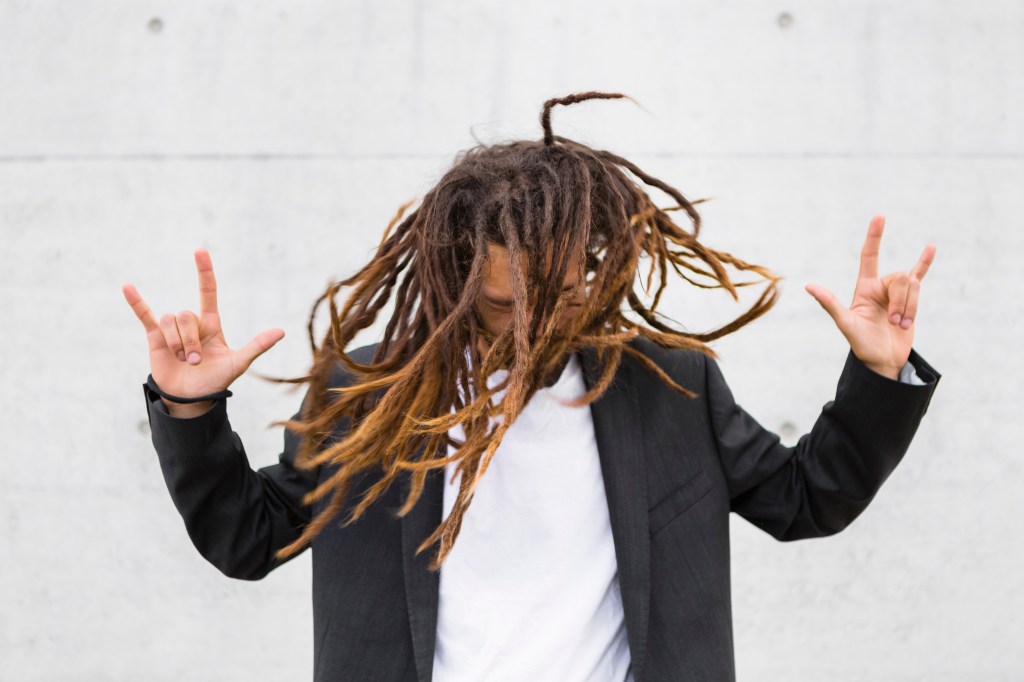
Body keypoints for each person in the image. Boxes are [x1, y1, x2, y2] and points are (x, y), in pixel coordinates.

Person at [122, 92, 941, 681]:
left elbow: (806, 498)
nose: (533, 323)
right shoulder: (371, 390)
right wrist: (192, 407)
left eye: (556, 292)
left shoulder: (666, 383)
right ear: (452, 281)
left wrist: (878, 372)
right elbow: (251, 538)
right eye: (505, 303)